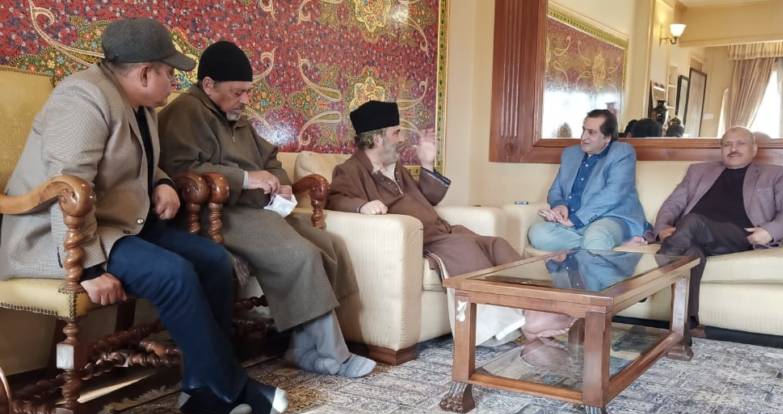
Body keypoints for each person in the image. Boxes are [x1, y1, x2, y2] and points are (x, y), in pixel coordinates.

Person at [0, 19, 285, 414]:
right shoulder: (82, 99)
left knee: (214, 261)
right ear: (144, 72)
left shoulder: (141, 104)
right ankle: (227, 386)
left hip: (117, 225)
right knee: (173, 273)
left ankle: (200, 387)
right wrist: (88, 267)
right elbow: (67, 188)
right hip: (57, 235)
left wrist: (163, 182)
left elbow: (143, 164)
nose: (173, 82)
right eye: (169, 72)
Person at [158, 41, 374, 378]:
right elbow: (180, 169)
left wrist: (280, 182)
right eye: (238, 92)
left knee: (330, 246)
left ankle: (302, 349)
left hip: (255, 211)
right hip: (215, 215)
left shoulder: (235, 117)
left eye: (248, 91)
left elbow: (270, 159)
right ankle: (333, 355)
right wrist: (246, 179)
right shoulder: (185, 112)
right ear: (209, 85)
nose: (246, 100)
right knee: (299, 255)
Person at [327, 100, 531, 345]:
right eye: (396, 133)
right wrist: (362, 206)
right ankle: (501, 328)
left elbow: (428, 199)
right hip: (423, 240)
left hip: (443, 232)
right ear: (378, 139)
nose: (402, 139)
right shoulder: (350, 170)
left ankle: (537, 309)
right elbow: (335, 199)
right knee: (464, 249)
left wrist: (427, 164)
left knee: (497, 245)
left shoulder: (395, 167)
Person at [654, 126, 783, 326]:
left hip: (737, 235)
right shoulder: (697, 171)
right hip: (691, 235)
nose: (733, 149)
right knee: (691, 254)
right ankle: (684, 326)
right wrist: (661, 228)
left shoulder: (773, 174)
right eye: (727, 144)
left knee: (692, 221)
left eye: (740, 143)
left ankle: (650, 283)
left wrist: (770, 231)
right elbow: (672, 204)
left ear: (754, 148)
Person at [528, 109, 650, 252]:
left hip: (610, 219)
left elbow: (613, 194)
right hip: (573, 222)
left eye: (591, 132)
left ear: (607, 137)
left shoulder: (622, 152)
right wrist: (560, 205)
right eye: (583, 130)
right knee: (538, 233)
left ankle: (598, 243)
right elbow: (556, 190)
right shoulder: (570, 154)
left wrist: (575, 220)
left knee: (595, 235)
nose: (584, 137)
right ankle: (610, 246)